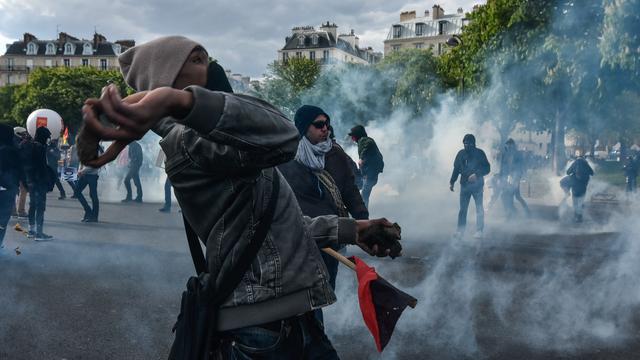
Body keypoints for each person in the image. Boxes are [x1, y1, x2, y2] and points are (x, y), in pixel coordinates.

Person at [79, 36, 400, 359]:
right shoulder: (192, 144)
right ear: (170, 83)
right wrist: (180, 103)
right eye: (197, 60)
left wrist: (352, 229)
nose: (211, 66)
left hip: (285, 319)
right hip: (264, 330)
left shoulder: (221, 142)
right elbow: (285, 136)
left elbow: (277, 227)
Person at [450, 134, 491, 239]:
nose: (467, 145)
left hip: (477, 186)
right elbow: (456, 169)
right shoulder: (460, 154)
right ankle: (460, 231)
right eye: (465, 143)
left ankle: (479, 230)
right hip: (464, 185)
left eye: (469, 143)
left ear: (474, 143)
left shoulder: (480, 153)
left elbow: (487, 168)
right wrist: (452, 181)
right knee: (463, 209)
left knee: (479, 208)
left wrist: (476, 175)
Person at [326, 126, 368, 220]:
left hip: (353, 184)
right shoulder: (333, 149)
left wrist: (363, 220)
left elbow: (350, 191)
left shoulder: (334, 151)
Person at [25, 127, 54, 240]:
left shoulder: (30, 145)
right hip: (39, 181)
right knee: (40, 207)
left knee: (32, 205)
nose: (47, 139)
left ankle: (31, 230)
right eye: (46, 137)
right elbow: (42, 167)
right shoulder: (40, 148)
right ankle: (39, 233)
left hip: (30, 180)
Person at [348, 125, 384, 208]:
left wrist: (361, 158)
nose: (352, 138)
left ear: (356, 135)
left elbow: (368, 144)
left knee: (364, 196)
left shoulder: (364, 140)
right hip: (366, 174)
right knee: (357, 189)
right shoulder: (361, 141)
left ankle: (363, 215)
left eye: (353, 136)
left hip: (370, 174)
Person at [0, 124, 25, 248]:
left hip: (7, 187)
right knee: (3, 219)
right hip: (8, 189)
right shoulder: (13, 149)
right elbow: (20, 169)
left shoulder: (10, 149)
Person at [498, 139, 530, 217]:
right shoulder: (504, 154)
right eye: (507, 145)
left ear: (513, 145)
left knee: (515, 196)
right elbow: (501, 167)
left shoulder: (518, 154)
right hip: (505, 178)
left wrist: (517, 177)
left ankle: (514, 213)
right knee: (507, 196)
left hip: (515, 178)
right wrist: (500, 177)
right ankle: (512, 213)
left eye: (510, 145)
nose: (508, 146)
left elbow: (521, 166)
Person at [75, 145, 102, 222]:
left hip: (92, 175)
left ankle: (94, 216)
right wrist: (80, 170)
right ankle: (88, 211)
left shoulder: (96, 150)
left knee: (93, 195)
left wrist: (81, 171)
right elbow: (81, 161)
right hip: (84, 175)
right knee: (77, 192)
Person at [566, 153, 594, 222]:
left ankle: (576, 216)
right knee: (581, 202)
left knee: (575, 202)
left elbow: (568, 172)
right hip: (583, 186)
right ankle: (580, 217)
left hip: (575, 186)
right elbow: (592, 173)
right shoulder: (585, 164)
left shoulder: (575, 163)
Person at [13, 127, 30, 217]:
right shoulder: (20, 144)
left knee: (14, 191)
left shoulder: (12, 142)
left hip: (14, 171)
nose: (25, 135)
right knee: (23, 190)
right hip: (20, 171)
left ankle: (13, 210)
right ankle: (21, 210)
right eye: (23, 134)